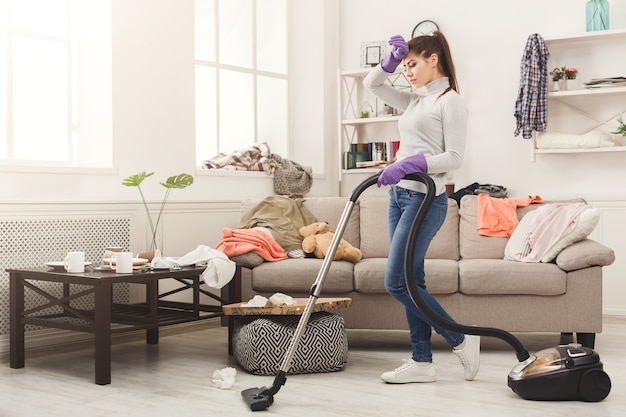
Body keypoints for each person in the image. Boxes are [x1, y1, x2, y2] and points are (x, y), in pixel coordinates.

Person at [363, 31, 480, 384]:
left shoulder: (450, 101)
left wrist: (408, 164)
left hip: (426, 201)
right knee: (412, 281)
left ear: (434, 59)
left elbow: (454, 157)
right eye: (403, 64)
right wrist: (388, 62)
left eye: (412, 63)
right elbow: (374, 85)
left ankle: (460, 337)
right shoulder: (416, 100)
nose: (407, 71)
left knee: (396, 282)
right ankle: (422, 361)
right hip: (399, 198)